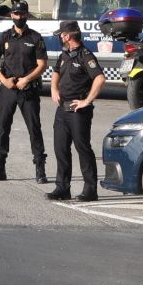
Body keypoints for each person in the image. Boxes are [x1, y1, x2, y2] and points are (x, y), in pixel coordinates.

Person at [0, 0, 48, 184]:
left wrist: (26, 79)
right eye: (15, 13)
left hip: (28, 89)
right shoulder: (5, 36)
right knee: (3, 128)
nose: (18, 17)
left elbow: (42, 65)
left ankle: (40, 169)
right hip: (9, 89)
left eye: (21, 14)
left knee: (34, 129)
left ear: (27, 15)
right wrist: (4, 80)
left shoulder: (35, 38)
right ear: (11, 15)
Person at [46, 21, 105, 201]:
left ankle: (90, 189)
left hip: (78, 112)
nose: (60, 38)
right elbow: (56, 72)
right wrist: (54, 89)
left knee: (83, 149)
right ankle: (62, 188)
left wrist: (87, 101)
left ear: (67, 36)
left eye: (61, 35)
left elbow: (100, 78)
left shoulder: (85, 55)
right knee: (60, 148)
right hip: (62, 110)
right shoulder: (64, 55)